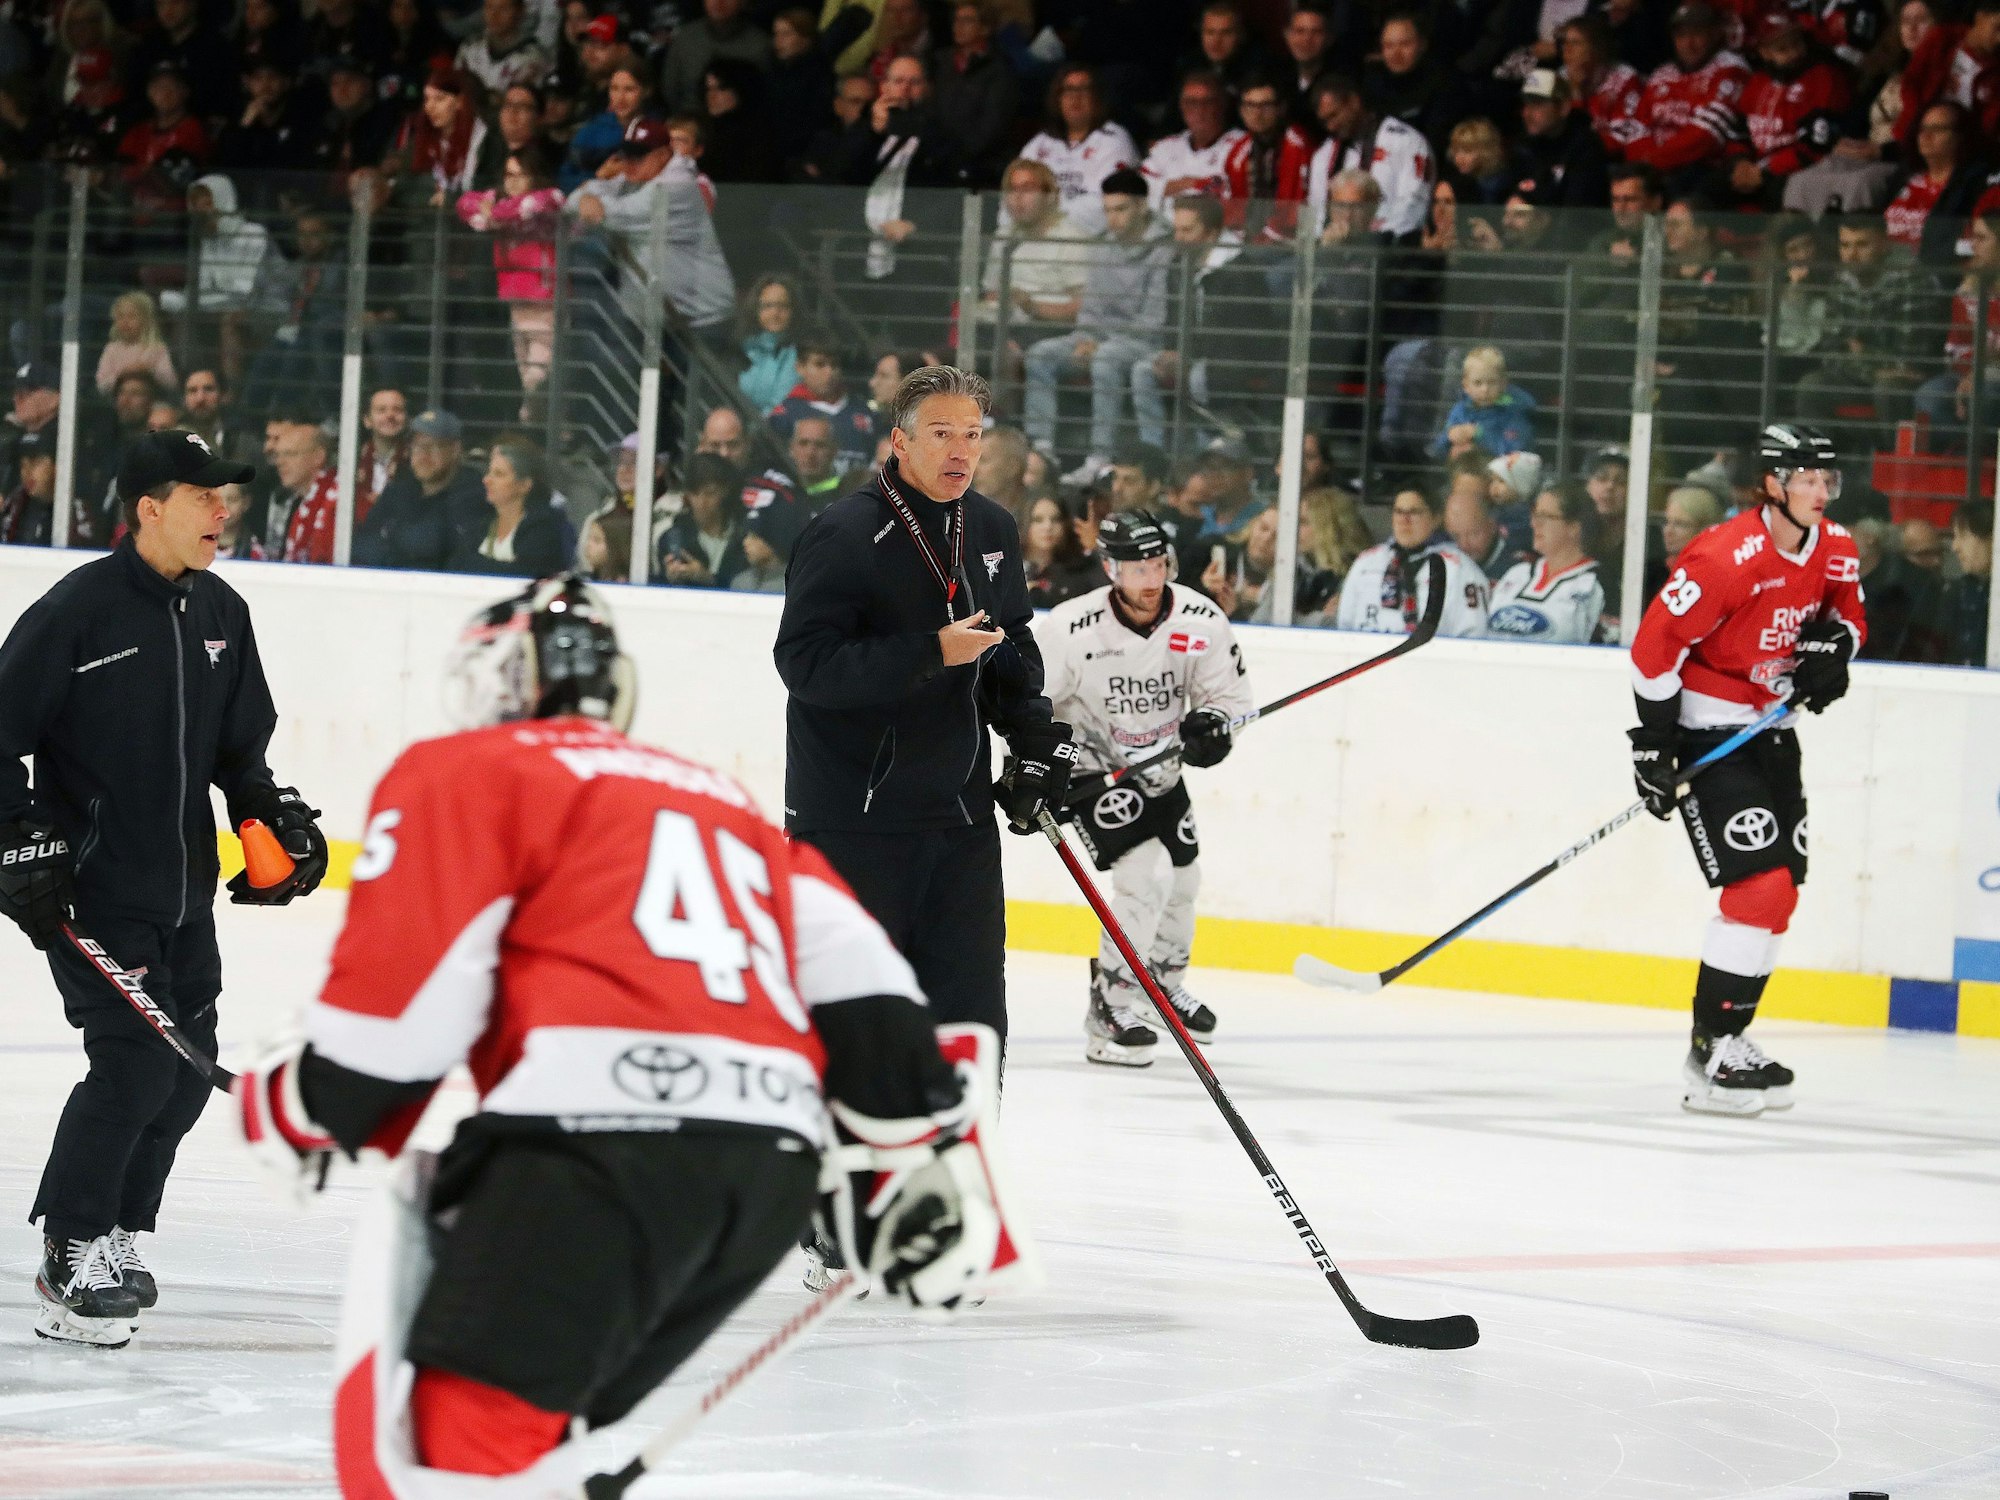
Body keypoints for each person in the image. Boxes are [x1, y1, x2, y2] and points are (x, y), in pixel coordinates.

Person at [231, 574, 1016, 1491]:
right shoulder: (717, 799)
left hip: (593, 1160)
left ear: (499, 680)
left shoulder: (473, 768)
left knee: (463, 1445)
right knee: (540, 1431)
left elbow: (401, 1021)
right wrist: (917, 1143)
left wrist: (314, 1100)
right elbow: (862, 969)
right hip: (765, 1173)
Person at [0, 428, 327, 1347]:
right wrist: (19, 837)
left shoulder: (221, 611)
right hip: (94, 892)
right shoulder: (76, 613)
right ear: (150, 508)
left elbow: (238, 753)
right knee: (137, 1065)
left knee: (182, 1080)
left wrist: (279, 826)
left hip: (184, 892)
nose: (223, 509)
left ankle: (119, 1231)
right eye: (203, 494)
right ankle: (68, 1252)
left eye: (224, 493)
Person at [773, 362, 1070, 1067]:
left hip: (959, 824)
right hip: (853, 822)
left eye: (972, 433)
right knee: (850, 1033)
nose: (962, 450)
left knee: (971, 1029)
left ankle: (963, 1170)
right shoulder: (843, 534)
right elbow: (805, 664)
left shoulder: (992, 528)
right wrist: (930, 651)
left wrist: (1035, 737)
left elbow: (1009, 649)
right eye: (942, 433)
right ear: (900, 443)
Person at [1628, 423, 1866, 1116]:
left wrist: (1834, 648)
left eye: (1828, 480)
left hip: (1774, 735)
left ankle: (1731, 1041)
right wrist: (1655, 743)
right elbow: (1653, 650)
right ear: (1772, 484)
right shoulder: (1727, 557)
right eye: (1806, 479)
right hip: (1711, 735)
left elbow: (1850, 617)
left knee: (1781, 893)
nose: (1821, 492)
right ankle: (1709, 1054)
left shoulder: (1838, 548)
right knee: (1758, 890)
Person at [1034, 506, 1251, 1066]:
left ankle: (1161, 984)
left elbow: (1229, 701)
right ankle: (1111, 1005)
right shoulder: (1070, 627)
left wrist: (1213, 730)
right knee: (1145, 876)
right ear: (1110, 568)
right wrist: (1030, 769)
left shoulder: (1199, 620)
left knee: (1183, 880)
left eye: (1159, 563)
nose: (1151, 578)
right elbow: (1029, 703)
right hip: (1091, 772)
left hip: (1161, 768)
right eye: (1137, 567)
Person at [1022, 169, 1174, 481]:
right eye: (1108, 210)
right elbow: (1091, 306)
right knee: (1040, 354)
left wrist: (1100, 344)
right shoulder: (1102, 244)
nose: (1113, 218)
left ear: (1142, 206)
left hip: (1143, 342)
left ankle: (1100, 456)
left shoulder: (1164, 248)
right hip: (1099, 337)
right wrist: (1087, 336)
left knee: (1105, 360)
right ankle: (1042, 447)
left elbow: (1154, 320)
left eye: (1121, 209)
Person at [1334, 484, 1490, 636]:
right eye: (1399, 512)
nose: (1404, 520)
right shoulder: (1366, 563)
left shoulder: (1459, 569)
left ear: (1435, 518)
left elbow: (1473, 634)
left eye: (1414, 512)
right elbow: (1345, 624)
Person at [353, 409, 487, 572]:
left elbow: (432, 547)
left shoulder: (472, 493)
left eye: (432, 446)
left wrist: (392, 539)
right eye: (417, 446)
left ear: (455, 450)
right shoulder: (399, 489)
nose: (423, 455)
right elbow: (362, 543)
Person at [1017, 64, 1138, 236]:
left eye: (1084, 89)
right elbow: (1013, 196)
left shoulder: (1115, 140)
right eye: (1068, 90)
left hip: (1091, 245)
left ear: (1097, 98)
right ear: (1058, 99)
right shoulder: (1038, 145)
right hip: (1037, 238)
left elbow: (1103, 206)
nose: (1075, 97)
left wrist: (1041, 213)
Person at [1485, 481, 1608, 644]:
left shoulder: (1597, 585)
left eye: (1545, 517)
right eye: (1535, 515)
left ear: (1574, 527)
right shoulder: (1516, 574)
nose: (1534, 523)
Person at [459, 438, 568, 576]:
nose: (486, 480)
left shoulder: (543, 527)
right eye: (489, 472)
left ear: (524, 485)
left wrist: (477, 563)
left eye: (499, 474)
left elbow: (526, 574)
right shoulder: (481, 523)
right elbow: (458, 563)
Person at [657, 451, 748, 588]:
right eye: (695, 494)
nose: (702, 502)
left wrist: (707, 578)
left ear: (725, 491)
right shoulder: (673, 538)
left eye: (710, 493)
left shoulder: (744, 537)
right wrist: (669, 579)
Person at [1432, 345, 1537, 458]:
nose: (1485, 389)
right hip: (1466, 472)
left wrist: (1479, 434)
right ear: (1466, 386)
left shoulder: (1513, 412)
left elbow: (1513, 451)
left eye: (1492, 382)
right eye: (1477, 383)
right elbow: (1437, 451)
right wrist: (1449, 437)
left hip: (1500, 473)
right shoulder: (1460, 411)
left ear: (1503, 384)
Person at [95, 290, 176, 398]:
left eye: (132, 316)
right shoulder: (111, 349)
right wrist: (124, 374)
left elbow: (170, 383)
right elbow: (101, 385)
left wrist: (149, 370)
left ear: (147, 321)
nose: (125, 321)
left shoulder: (157, 348)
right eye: (120, 316)